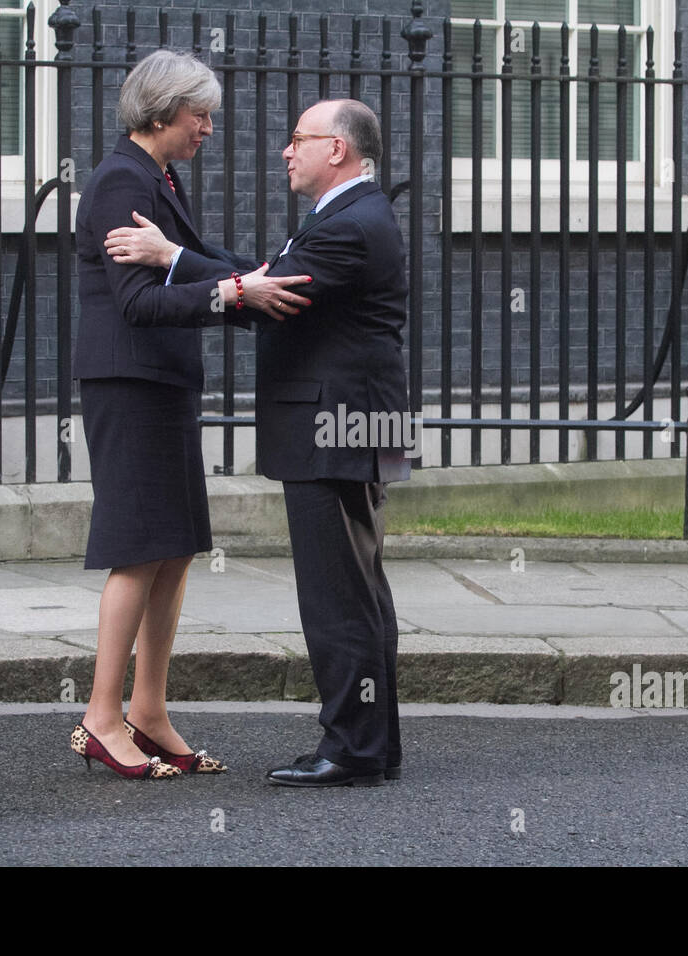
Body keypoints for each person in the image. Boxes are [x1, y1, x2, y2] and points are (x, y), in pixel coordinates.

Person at [106, 99, 409, 787]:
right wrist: (185, 258)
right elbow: (260, 276)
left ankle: (353, 751)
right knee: (358, 592)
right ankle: (371, 745)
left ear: (337, 149)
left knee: (338, 596)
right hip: (355, 424)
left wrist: (170, 256)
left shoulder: (349, 225)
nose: (286, 152)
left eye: (298, 139)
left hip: (334, 427)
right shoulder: (351, 216)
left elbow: (272, 294)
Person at [70, 49, 312, 780]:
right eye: (199, 113)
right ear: (160, 111)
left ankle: (148, 709)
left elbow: (195, 257)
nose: (209, 126)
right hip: (129, 383)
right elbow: (139, 304)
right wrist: (235, 293)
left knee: (173, 547)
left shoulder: (159, 178)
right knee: (137, 547)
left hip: (164, 384)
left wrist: (253, 280)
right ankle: (100, 717)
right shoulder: (120, 181)